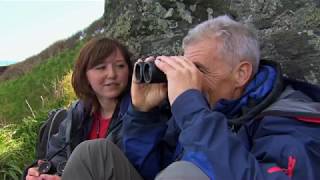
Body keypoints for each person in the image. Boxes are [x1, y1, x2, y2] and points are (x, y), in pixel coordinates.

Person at [61, 15, 320, 180]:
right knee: (93, 153)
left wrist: (193, 111)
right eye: (186, 68)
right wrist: (143, 116)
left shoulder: (288, 119)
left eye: (200, 70)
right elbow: (148, 172)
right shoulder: (203, 105)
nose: (189, 79)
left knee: (183, 174)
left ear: (241, 73)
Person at [25, 37, 133, 180]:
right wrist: (38, 173)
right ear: (85, 75)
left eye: (120, 66)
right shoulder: (78, 114)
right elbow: (56, 157)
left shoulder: (140, 112)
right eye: (101, 67)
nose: (112, 74)